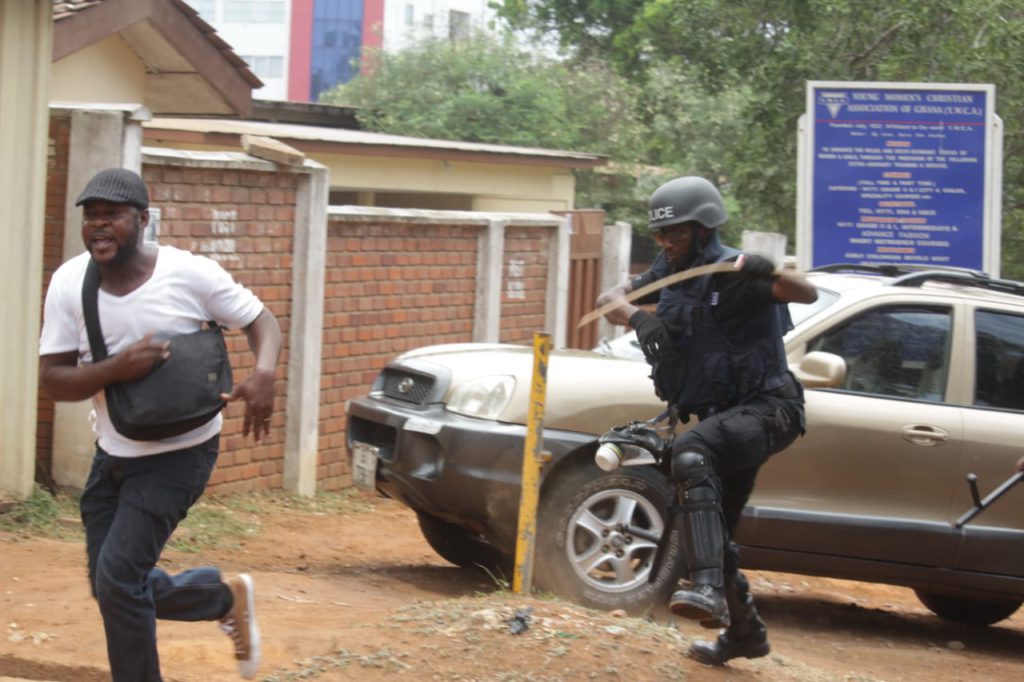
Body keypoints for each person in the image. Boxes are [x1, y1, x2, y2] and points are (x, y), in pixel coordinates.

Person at [38, 167, 282, 681]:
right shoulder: (68, 283)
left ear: (144, 220)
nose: (99, 226)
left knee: (119, 579)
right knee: (111, 585)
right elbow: (54, 380)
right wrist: (116, 369)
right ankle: (220, 596)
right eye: (91, 217)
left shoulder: (188, 273)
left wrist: (264, 373)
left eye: (113, 215)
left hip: (182, 452)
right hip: (114, 450)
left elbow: (262, 321)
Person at [597, 176, 817, 665]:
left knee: (691, 451)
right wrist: (639, 317)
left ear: (703, 229)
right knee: (710, 533)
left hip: (769, 410)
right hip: (726, 418)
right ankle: (745, 635)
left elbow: (805, 292)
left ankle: (709, 595)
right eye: (660, 234)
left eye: (674, 233)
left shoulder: (734, 272)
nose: (665, 242)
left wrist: (764, 268)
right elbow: (607, 299)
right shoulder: (668, 269)